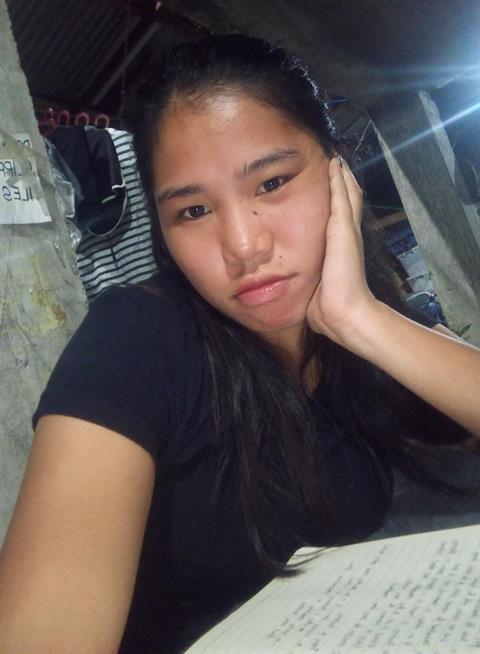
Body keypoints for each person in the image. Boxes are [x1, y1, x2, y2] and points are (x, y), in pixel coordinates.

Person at [0, 34, 479, 654]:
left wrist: (361, 320)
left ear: (339, 173)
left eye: (271, 182)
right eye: (193, 212)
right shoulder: (136, 339)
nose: (244, 246)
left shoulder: (360, 317)